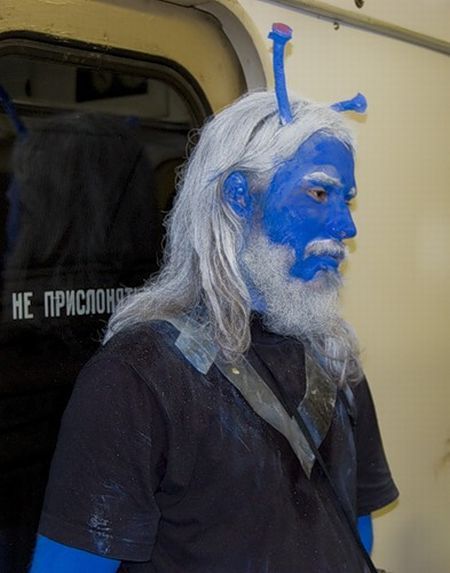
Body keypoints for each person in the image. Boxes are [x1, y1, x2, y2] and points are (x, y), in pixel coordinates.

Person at [30, 24, 398, 573]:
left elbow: (352, 536)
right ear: (239, 197)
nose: (346, 226)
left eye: (346, 199)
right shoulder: (138, 377)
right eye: (319, 192)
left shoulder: (334, 358)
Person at [0, 111, 160, 572]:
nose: (8, 198)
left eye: (22, 189)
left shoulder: (24, 335)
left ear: (50, 211)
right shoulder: (151, 325)